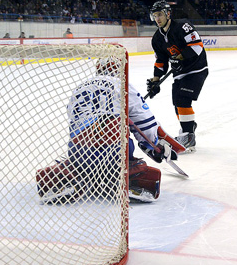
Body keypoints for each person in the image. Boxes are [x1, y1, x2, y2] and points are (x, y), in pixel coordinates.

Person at [37, 57, 181, 204]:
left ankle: (70, 178)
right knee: (121, 139)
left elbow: (74, 120)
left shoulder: (80, 88)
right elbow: (145, 122)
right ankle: (128, 179)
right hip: (114, 153)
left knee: (83, 141)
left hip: (78, 152)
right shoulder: (123, 86)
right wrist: (153, 145)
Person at [147, 0, 208, 152]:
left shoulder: (183, 26)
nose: (157, 19)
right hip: (179, 73)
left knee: (182, 99)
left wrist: (180, 57)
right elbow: (161, 61)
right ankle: (189, 128)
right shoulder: (156, 38)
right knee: (177, 103)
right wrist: (155, 81)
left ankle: (188, 136)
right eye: (155, 16)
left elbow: (196, 46)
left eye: (160, 14)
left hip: (196, 69)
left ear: (168, 14)